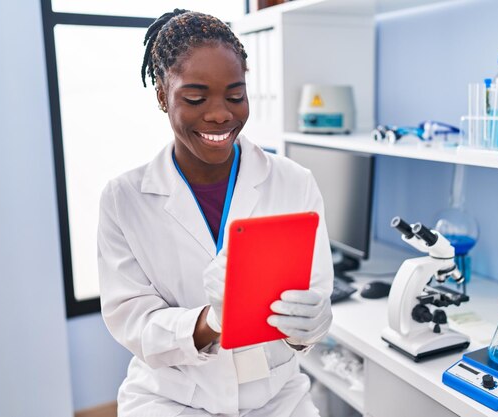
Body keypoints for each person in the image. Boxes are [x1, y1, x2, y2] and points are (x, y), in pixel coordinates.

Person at [97, 9, 334, 416]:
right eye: (195, 98)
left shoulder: (294, 182)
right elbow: (132, 321)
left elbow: (313, 298)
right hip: (172, 399)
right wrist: (213, 320)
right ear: (161, 95)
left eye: (235, 95)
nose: (220, 113)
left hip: (277, 399)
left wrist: (308, 326)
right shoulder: (125, 199)